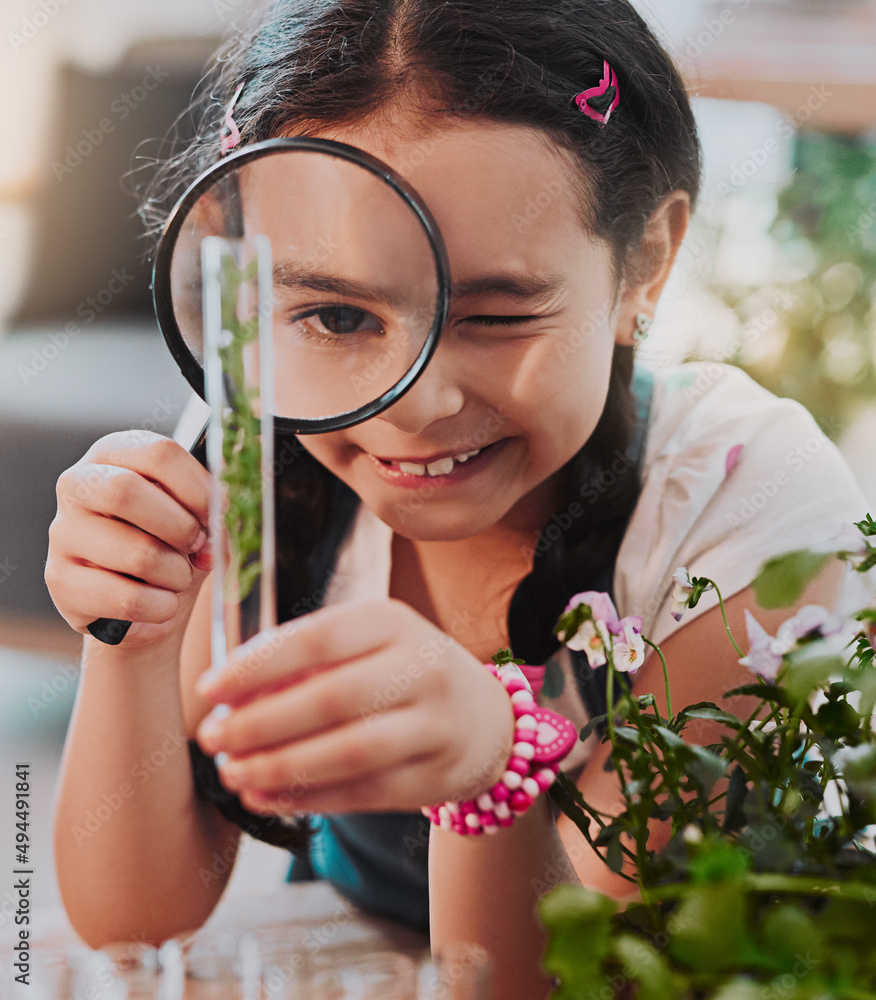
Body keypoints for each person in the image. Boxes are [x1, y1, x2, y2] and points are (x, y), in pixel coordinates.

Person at [46, 2, 868, 997]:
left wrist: (493, 766)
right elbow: (136, 920)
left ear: (645, 262)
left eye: (495, 312)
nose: (419, 404)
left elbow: (583, 974)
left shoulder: (741, 506)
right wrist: (128, 636)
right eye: (337, 313)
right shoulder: (266, 444)